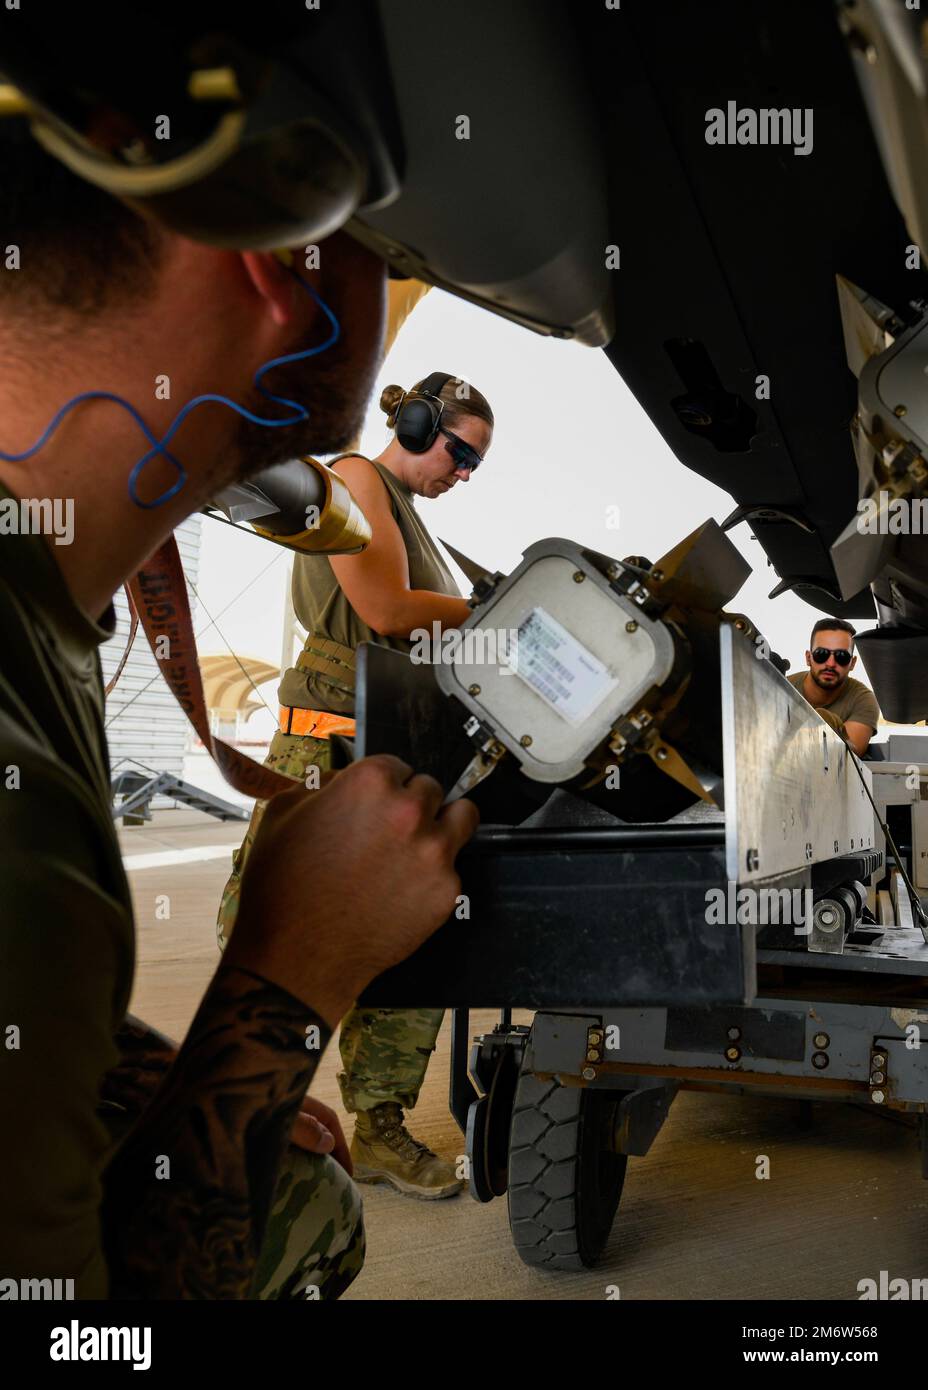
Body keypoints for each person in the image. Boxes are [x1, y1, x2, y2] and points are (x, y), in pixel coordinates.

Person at [0, 122, 479, 1298]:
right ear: (286, 257)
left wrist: (155, 1074)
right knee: (304, 1209)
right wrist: (284, 981)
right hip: (329, 731)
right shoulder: (19, 856)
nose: (459, 467)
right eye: (390, 250)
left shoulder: (44, 619)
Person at [218, 373, 492, 1198]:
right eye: (460, 450)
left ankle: (376, 1131)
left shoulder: (415, 524)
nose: (465, 472)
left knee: (409, 938)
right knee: (277, 940)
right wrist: (489, 612)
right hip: (326, 751)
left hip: (385, 751)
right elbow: (384, 610)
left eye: (476, 461)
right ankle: (239, 1119)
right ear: (414, 425)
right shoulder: (359, 481)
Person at [788, 617, 880, 756]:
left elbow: (849, 755)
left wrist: (829, 725)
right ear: (808, 658)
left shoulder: (863, 700)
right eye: (821, 654)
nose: (830, 663)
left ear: (852, 663)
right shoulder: (782, 688)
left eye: (841, 656)